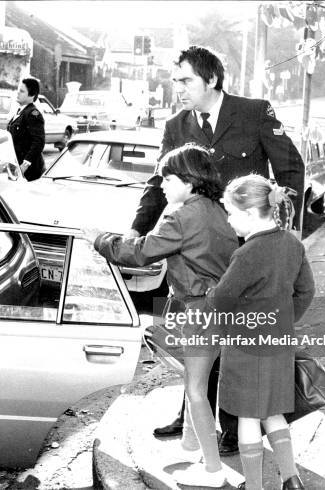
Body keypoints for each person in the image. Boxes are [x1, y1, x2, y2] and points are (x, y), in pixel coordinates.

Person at [127, 45, 305, 455]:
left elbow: (290, 169)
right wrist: (137, 230)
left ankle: (232, 421)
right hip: (197, 250)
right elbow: (159, 185)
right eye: (176, 80)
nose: (178, 88)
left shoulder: (254, 112)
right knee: (199, 330)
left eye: (186, 80)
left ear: (211, 80)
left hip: (248, 246)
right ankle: (194, 412)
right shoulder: (175, 125)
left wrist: (282, 233)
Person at [84, 145, 239, 487]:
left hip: (198, 312)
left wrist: (99, 239)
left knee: (196, 389)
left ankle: (212, 470)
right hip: (217, 309)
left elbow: (137, 253)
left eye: (167, 179)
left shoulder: (182, 216)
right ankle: (190, 448)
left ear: (189, 180)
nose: (162, 186)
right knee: (194, 383)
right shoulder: (217, 210)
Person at [208, 174, 315, 490]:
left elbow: (222, 298)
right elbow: (306, 290)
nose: (229, 220)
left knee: (248, 418)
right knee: (272, 413)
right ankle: (291, 479)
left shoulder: (247, 253)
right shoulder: (292, 244)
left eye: (231, 212)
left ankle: (254, 486)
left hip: (247, 348)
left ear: (251, 214)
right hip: (279, 343)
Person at [7, 78, 45, 181]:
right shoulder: (20, 112)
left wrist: (25, 165)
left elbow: (39, 142)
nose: (18, 93)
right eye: (18, 90)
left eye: (22, 91)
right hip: (16, 166)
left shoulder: (33, 114)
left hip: (29, 172)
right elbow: (9, 136)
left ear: (32, 95)